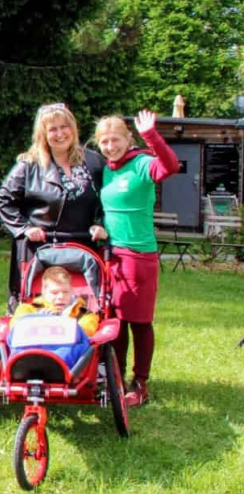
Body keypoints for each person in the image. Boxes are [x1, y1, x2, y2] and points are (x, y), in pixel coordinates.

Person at [94, 109, 178, 407]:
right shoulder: (107, 169)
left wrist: (151, 136)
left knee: (139, 321)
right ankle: (115, 377)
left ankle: (140, 383)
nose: (110, 146)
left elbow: (170, 166)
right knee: (115, 320)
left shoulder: (140, 163)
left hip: (138, 256)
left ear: (128, 138)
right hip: (111, 255)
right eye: (104, 141)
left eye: (115, 139)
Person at [0, 103, 105, 310]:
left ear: (73, 129)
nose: (60, 134)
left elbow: (106, 200)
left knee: (83, 308)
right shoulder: (28, 165)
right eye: (53, 129)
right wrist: (25, 228)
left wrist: (100, 223)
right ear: (43, 134)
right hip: (40, 247)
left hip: (83, 247)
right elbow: (3, 199)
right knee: (38, 307)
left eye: (64, 127)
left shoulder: (94, 161)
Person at [10, 266, 100, 337]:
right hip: (33, 349)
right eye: (55, 293)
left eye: (65, 292)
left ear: (72, 291)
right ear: (44, 292)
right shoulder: (28, 309)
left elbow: (88, 328)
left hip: (66, 351)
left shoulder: (82, 313)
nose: (61, 297)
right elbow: (16, 327)